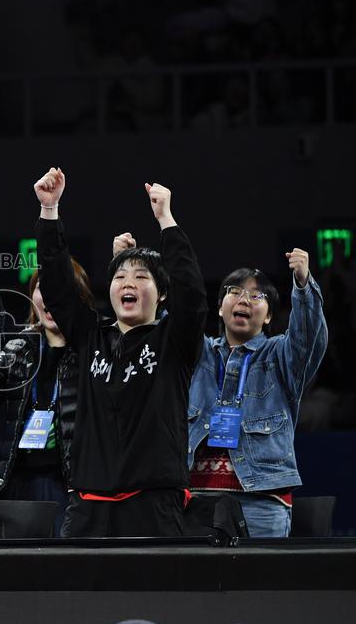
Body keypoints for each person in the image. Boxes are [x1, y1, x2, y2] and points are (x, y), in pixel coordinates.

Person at [35, 168, 207, 537]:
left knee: (154, 596)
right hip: (88, 504)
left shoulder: (173, 340)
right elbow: (58, 287)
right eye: (119, 277)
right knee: (77, 596)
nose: (128, 283)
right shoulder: (89, 335)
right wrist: (50, 212)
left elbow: (191, 295)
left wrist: (166, 221)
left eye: (142, 277)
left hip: (154, 503)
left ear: (161, 294)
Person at [184, 251, 327, 537]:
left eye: (257, 296)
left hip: (261, 503)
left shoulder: (281, 357)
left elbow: (308, 338)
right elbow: (161, 324)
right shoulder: (197, 354)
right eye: (234, 292)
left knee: (258, 584)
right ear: (221, 308)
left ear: (269, 316)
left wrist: (303, 284)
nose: (244, 299)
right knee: (194, 584)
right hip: (193, 501)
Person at [0, 259, 93, 536]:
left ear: (79, 298)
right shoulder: (16, 348)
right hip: (16, 481)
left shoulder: (92, 352)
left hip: (69, 484)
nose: (50, 297)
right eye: (42, 288)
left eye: (61, 288)